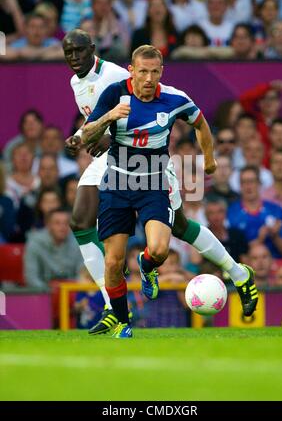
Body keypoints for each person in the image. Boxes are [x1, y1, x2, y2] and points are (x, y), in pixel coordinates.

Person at [82, 45, 258, 338]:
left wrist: (210, 159)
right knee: (115, 256)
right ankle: (123, 319)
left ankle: (150, 265)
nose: (148, 79)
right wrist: (106, 121)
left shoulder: (174, 98)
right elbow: (87, 132)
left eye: (154, 72)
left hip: (155, 178)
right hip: (117, 178)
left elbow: (199, 122)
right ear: (131, 71)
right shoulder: (112, 93)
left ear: (161, 72)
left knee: (164, 243)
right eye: (142, 72)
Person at [63, 29, 129, 334]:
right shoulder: (75, 83)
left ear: (92, 49)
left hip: (134, 153)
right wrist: (79, 138)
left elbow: (138, 110)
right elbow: (94, 120)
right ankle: (111, 304)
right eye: (68, 53)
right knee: (79, 221)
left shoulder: (114, 74)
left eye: (78, 51)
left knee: (177, 227)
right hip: (106, 156)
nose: (74, 58)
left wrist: (107, 136)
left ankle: (237, 273)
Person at [24, 208, 84, 290]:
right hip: (43, 294)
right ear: (48, 225)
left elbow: (82, 276)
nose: (62, 227)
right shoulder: (34, 243)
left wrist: (69, 289)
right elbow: (31, 278)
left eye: (66, 223)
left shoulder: (78, 242)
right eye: (57, 223)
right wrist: (50, 291)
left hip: (71, 292)